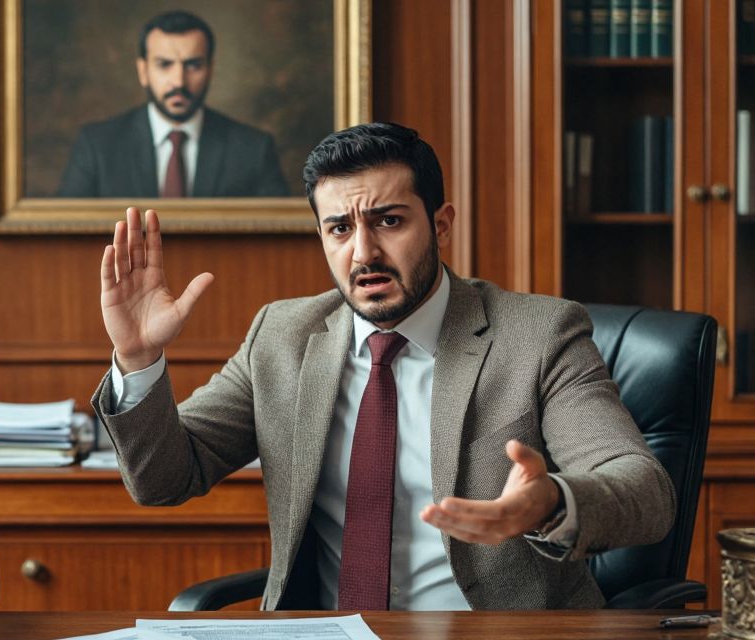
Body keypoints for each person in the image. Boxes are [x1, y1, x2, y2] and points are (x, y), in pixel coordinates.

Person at [92, 122, 674, 611]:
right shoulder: (283, 337)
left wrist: (548, 502)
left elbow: (644, 492)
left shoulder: (538, 335)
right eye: (340, 228)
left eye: (389, 221)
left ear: (441, 224)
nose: (363, 252)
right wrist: (139, 360)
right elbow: (165, 481)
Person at [56, 10, 290, 198]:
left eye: (193, 65)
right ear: (143, 70)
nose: (179, 81)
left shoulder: (254, 149)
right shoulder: (97, 145)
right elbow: (64, 235)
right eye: (164, 64)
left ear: (210, 70)